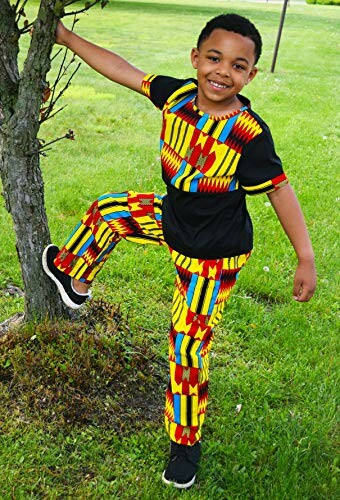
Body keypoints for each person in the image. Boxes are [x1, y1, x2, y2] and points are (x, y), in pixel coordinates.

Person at [42, 13, 316, 489]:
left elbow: (279, 191)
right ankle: (75, 279)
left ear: (251, 75)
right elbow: (121, 69)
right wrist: (63, 36)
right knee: (108, 211)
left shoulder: (248, 134)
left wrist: (305, 257)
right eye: (214, 58)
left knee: (187, 347)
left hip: (214, 257)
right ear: (195, 58)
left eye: (237, 65)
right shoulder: (176, 97)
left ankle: (185, 445)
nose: (222, 71)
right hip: (173, 220)